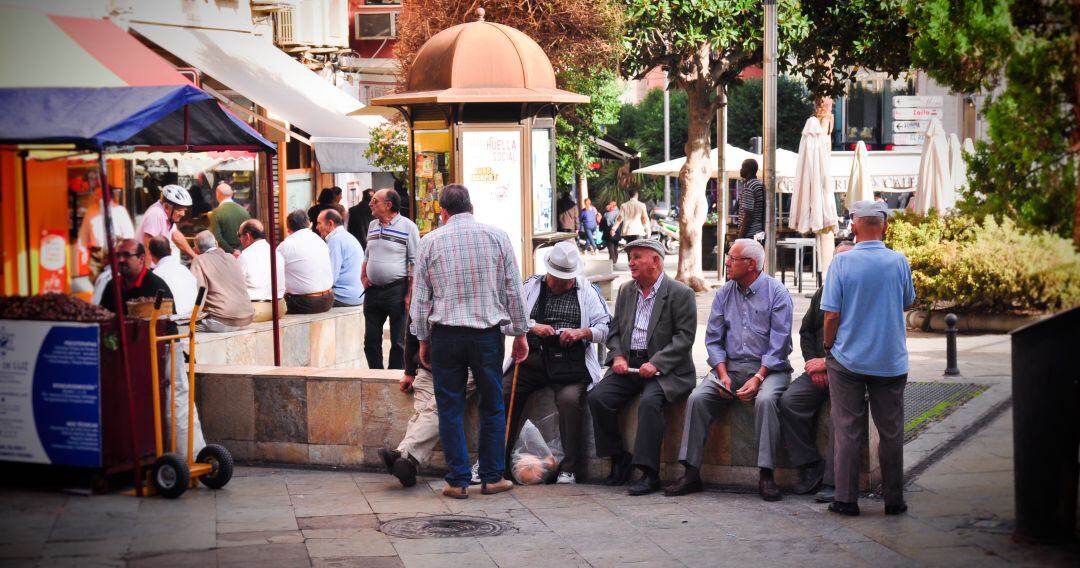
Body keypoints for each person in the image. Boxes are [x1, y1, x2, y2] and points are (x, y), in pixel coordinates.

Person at [410, 184, 529, 499]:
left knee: (449, 407)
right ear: (471, 209)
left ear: (443, 212)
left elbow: (420, 300)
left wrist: (422, 338)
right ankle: (492, 477)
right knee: (493, 405)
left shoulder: (430, 242)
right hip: (485, 335)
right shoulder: (497, 237)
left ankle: (458, 481)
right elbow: (513, 289)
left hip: (446, 336)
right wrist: (520, 332)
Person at [665, 238, 793, 500]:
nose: (726, 262)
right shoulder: (724, 293)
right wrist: (722, 375)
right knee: (697, 398)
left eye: (732, 258)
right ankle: (690, 472)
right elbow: (713, 339)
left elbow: (779, 345)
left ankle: (766, 474)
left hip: (770, 369)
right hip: (730, 368)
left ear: (751, 264)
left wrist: (758, 378)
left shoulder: (777, 293)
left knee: (766, 401)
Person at [822, 200, 915, 517]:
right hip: (890, 361)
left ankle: (846, 500)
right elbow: (906, 301)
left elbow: (831, 314)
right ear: (885, 226)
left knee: (847, 429)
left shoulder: (842, 263)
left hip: (848, 360)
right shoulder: (899, 261)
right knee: (891, 432)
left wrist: (827, 346)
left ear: (855, 226)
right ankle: (893, 500)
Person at [586, 239, 697, 496]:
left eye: (636, 257)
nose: (631, 263)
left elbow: (684, 338)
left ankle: (649, 473)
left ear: (656, 261)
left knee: (650, 402)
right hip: (630, 364)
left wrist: (656, 363)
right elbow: (614, 332)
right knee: (598, 397)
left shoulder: (681, 293)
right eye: (630, 257)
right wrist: (618, 357)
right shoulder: (627, 290)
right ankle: (618, 457)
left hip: (667, 370)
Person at [502, 241, 612, 484]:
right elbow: (506, 321)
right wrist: (532, 326)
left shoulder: (588, 291)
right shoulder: (530, 286)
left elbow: (606, 327)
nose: (560, 284)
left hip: (570, 364)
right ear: (548, 272)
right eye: (556, 279)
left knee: (570, 400)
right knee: (505, 391)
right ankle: (495, 460)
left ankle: (569, 467)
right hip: (533, 358)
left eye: (566, 280)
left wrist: (582, 333)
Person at [99, 238, 205, 458]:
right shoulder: (112, 287)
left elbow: (166, 321)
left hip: (162, 350)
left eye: (126, 255)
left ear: (141, 259)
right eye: (118, 256)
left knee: (175, 400)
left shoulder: (155, 285)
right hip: (129, 356)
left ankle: (185, 455)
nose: (121, 260)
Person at [779, 242, 855, 504]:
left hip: (849, 371)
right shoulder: (823, 292)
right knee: (789, 401)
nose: (840, 266)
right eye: (837, 260)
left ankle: (834, 482)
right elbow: (806, 331)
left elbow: (858, 339)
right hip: (819, 369)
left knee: (838, 417)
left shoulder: (859, 295)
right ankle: (809, 465)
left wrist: (827, 362)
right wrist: (813, 361)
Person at [377, 328, 477, 487]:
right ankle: (407, 465)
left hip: (463, 369)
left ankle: (402, 454)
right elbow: (411, 331)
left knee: (436, 409)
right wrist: (409, 371)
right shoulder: (420, 302)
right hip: (427, 368)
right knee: (421, 413)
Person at [362, 189, 421, 369]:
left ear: (388, 205)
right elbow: (367, 253)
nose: (370, 204)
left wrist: (409, 293)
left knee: (398, 342)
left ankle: (394, 377)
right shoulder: (373, 225)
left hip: (396, 290)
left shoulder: (408, 226)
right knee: (370, 340)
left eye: (375, 201)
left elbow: (414, 262)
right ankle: (375, 375)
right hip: (372, 290)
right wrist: (363, 275)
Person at [188, 231, 254, 333]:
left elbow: (198, 293)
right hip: (245, 319)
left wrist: (191, 317)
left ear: (196, 249)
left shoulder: (199, 260)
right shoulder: (231, 257)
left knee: (182, 329)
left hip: (222, 321)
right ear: (216, 243)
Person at [277, 210, 335, 315]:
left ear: (288, 228)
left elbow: (272, 273)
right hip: (329, 299)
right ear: (309, 224)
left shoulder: (287, 245)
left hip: (305, 302)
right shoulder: (320, 241)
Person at [235, 219, 286, 323]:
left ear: (247, 236)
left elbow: (234, 286)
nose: (239, 239)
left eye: (239, 235)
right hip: (279, 308)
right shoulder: (277, 253)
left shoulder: (245, 257)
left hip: (257, 310)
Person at [135, 184, 199, 261]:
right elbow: (148, 246)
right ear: (166, 207)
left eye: (184, 210)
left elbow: (176, 237)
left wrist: (195, 257)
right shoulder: (156, 214)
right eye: (179, 210)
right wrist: (147, 272)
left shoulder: (168, 216)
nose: (183, 214)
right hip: (148, 266)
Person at [316, 209, 365, 308]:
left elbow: (331, 278)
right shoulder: (346, 237)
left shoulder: (335, 240)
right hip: (357, 295)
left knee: (306, 300)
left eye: (319, 223)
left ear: (330, 224)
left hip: (345, 296)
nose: (317, 227)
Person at [148, 235, 197, 320]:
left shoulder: (155, 275)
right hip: (193, 315)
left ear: (151, 255)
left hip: (175, 319)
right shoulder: (184, 269)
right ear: (171, 251)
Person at [78, 186, 135, 258]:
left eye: (99, 195)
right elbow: (84, 232)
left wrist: (126, 253)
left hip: (115, 251)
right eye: (95, 195)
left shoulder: (120, 210)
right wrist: (83, 250)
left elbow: (129, 234)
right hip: (97, 252)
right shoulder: (91, 211)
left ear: (108, 196)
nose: (96, 198)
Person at [208, 182, 250, 255]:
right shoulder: (244, 211)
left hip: (225, 255)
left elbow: (217, 238)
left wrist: (232, 251)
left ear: (217, 194)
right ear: (231, 194)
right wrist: (239, 250)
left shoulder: (216, 212)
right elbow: (249, 234)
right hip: (242, 253)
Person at [614, 189, 650, 264]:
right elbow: (645, 218)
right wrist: (648, 230)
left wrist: (613, 228)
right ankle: (638, 265)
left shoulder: (624, 205)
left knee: (629, 250)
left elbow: (619, 218)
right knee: (638, 249)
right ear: (637, 195)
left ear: (629, 196)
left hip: (628, 231)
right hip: (638, 231)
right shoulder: (642, 205)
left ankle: (631, 265)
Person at [737, 159, 765, 241]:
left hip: (749, 234)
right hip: (758, 232)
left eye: (742, 167)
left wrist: (740, 237)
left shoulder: (749, 187)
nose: (741, 170)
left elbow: (748, 216)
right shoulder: (758, 183)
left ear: (749, 170)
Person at [599, 200, 622, 265]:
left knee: (610, 247)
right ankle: (615, 259)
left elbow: (602, 224)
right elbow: (621, 222)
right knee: (615, 247)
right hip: (617, 232)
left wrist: (601, 229)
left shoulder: (606, 214)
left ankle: (612, 260)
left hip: (608, 232)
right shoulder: (619, 213)